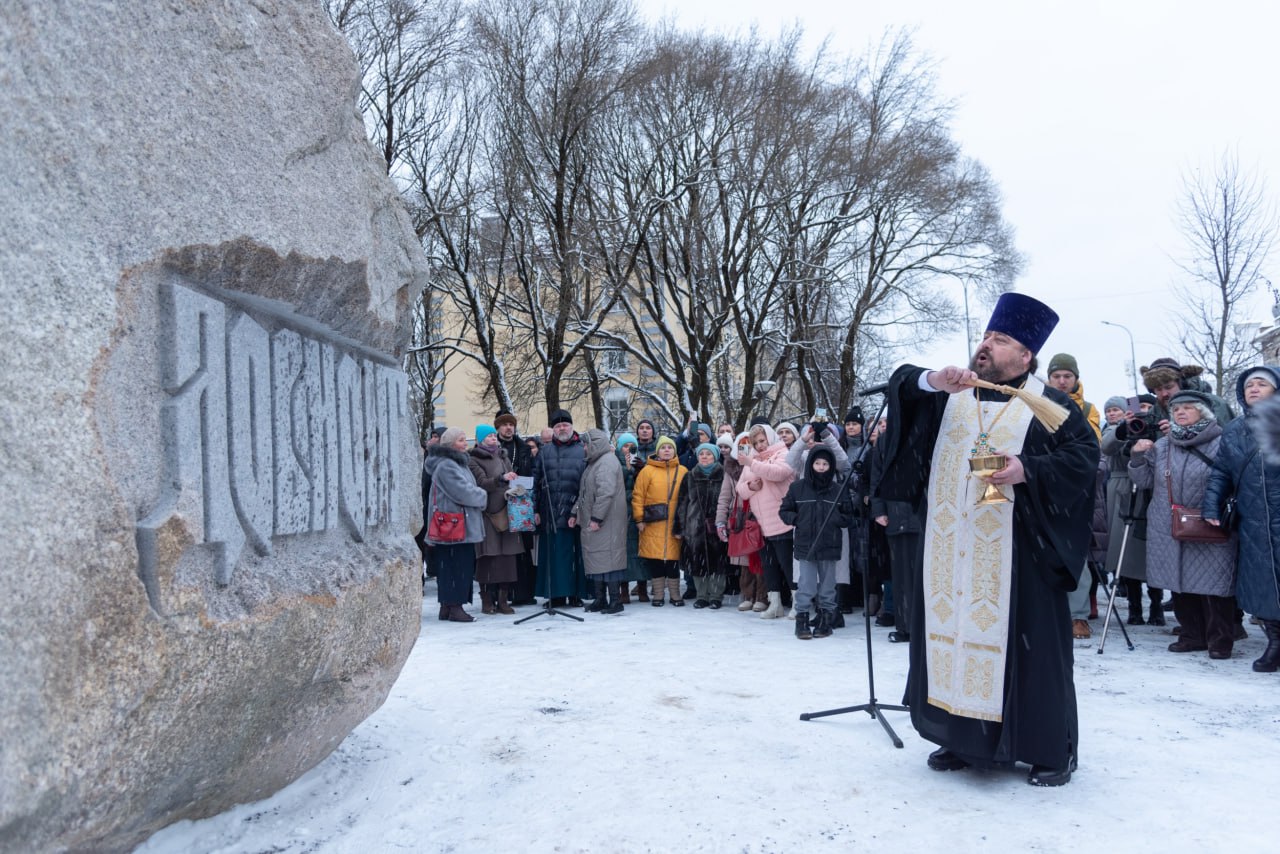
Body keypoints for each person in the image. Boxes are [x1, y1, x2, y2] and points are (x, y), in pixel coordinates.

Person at [874, 292, 1097, 787]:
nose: (987, 346)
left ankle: (1048, 750)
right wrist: (933, 380)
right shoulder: (952, 392)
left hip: (1020, 553)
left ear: (1025, 356)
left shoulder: (1051, 405)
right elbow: (902, 387)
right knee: (952, 640)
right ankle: (962, 739)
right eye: (987, 337)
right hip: (951, 550)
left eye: (1002, 340)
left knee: (1032, 652)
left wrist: (1029, 469)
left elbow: (1084, 461)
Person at [1128, 389, 1237, 658]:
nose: (1180, 412)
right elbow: (1143, 482)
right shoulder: (1164, 445)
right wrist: (1137, 456)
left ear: (1204, 412)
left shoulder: (1222, 441)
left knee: (1215, 582)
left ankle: (1220, 640)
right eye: (1176, 409)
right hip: (1168, 522)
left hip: (1211, 521)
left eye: (1188, 407)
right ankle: (1191, 635)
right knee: (1178, 581)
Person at [1205, 367, 1280, 671]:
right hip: (1254, 522)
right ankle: (1275, 642)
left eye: (1262, 384)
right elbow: (1222, 470)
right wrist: (1211, 506)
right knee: (1264, 583)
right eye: (1249, 384)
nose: (1254, 388)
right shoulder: (1235, 429)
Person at [1046, 352, 1102, 639]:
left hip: (1075, 488)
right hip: (1041, 481)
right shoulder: (1033, 401)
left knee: (1075, 551)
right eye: (1057, 376)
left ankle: (1078, 615)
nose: (1062, 381)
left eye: (1067, 376)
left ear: (1076, 379)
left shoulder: (1089, 408)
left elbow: (1089, 445)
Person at [779, 447, 853, 639]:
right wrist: (797, 519)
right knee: (807, 584)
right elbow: (784, 511)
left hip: (830, 544)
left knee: (828, 586)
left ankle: (826, 620)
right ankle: (801, 620)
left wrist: (837, 518)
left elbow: (849, 516)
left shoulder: (838, 490)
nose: (821, 467)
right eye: (817, 463)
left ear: (831, 466)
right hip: (806, 544)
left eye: (825, 464)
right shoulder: (798, 488)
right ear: (811, 464)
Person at [423, 427, 489, 623]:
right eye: (461, 440)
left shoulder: (454, 463)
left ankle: (447, 606)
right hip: (455, 527)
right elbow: (463, 491)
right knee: (457, 566)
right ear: (451, 444)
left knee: (451, 565)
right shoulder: (448, 466)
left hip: (455, 526)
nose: (465, 444)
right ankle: (455, 606)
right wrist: (482, 495)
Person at [736, 423, 796, 619]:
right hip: (761, 524)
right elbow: (740, 490)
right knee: (768, 566)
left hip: (781, 521)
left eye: (762, 441)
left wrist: (752, 464)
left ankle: (798, 603)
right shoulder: (752, 460)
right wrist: (751, 486)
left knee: (788, 566)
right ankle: (775, 603)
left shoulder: (782, 453)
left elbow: (778, 473)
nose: (760, 446)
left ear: (770, 438)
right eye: (756, 443)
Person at [532, 410, 588, 605]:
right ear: (553, 429)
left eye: (565, 425)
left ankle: (575, 594)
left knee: (574, 555)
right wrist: (536, 510)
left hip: (575, 511)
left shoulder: (583, 449)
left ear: (571, 427)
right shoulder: (544, 451)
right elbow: (536, 482)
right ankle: (555, 595)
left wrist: (578, 508)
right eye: (557, 426)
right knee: (553, 557)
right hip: (550, 511)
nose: (561, 428)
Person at [571, 429, 629, 614]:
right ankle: (600, 599)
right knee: (598, 559)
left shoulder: (606, 463)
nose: (584, 448)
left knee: (609, 561)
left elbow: (606, 493)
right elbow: (584, 495)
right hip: (597, 521)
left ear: (594, 445)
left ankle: (615, 600)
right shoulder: (594, 463)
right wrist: (575, 514)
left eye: (586, 445)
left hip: (607, 521)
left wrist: (597, 518)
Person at [467, 425, 523, 615]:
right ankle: (487, 600)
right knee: (488, 558)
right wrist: (501, 478)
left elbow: (510, 478)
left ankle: (503, 599)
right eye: (489, 436)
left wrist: (516, 482)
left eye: (493, 435)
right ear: (480, 439)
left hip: (507, 511)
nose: (493, 438)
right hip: (488, 514)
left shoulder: (503, 455)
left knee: (507, 558)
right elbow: (481, 483)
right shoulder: (474, 459)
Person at [633, 436, 687, 606]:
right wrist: (639, 518)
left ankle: (675, 594)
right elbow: (638, 496)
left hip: (674, 523)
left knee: (673, 560)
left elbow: (688, 498)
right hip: (652, 523)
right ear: (657, 451)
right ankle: (658, 594)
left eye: (669, 447)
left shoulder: (683, 470)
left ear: (674, 451)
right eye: (663, 447)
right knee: (655, 560)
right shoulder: (647, 471)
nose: (666, 450)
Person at [674, 443, 728, 608]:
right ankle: (702, 595)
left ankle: (716, 596)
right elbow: (682, 503)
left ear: (715, 456)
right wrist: (679, 527)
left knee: (718, 562)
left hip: (718, 525)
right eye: (701, 454)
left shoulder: (725, 475)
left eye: (708, 454)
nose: (704, 456)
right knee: (698, 561)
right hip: (695, 527)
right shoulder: (689, 476)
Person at [719, 432, 766, 611]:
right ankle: (747, 594)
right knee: (744, 558)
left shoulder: (760, 464)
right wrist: (720, 521)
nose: (744, 449)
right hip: (739, 515)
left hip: (758, 514)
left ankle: (762, 595)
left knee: (759, 557)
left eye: (748, 445)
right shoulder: (730, 469)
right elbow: (724, 497)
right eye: (741, 446)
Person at [495, 409, 537, 606]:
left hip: (521, 501)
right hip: (499, 503)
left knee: (522, 549)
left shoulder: (522, 448)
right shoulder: (492, 447)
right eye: (504, 424)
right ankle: (502, 593)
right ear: (498, 427)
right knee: (502, 549)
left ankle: (523, 592)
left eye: (511, 424)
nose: (508, 427)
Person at [614, 432, 647, 602]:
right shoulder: (613, 464)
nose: (627, 449)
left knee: (641, 552)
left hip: (638, 511)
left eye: (631, 446)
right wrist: (627, 471)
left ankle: (642, 589)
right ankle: (624, 590)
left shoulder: (642, 463)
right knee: (623, 552)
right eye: (625, 446)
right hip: (621, 512)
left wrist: (640, 470)